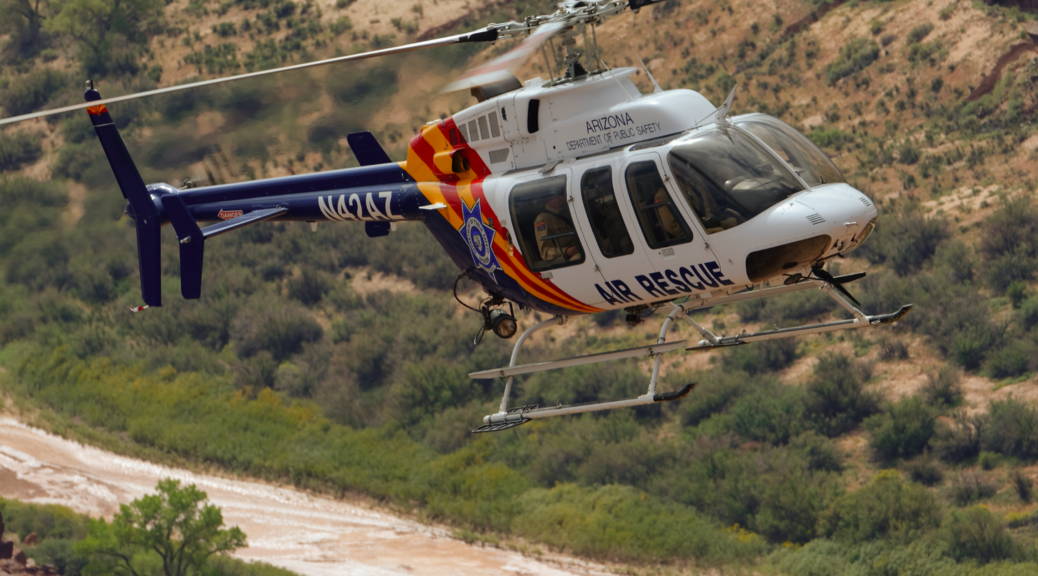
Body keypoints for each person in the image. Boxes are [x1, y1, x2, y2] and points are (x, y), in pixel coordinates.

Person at [535, 194, 581, 262]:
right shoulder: (542, 219)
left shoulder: (567, 210)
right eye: (560, 195)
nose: (563, 197)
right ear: (551, 199)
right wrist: (566, 250)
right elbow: (545, 252)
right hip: (571, 255)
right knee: (579, 258)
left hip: (583, 246)